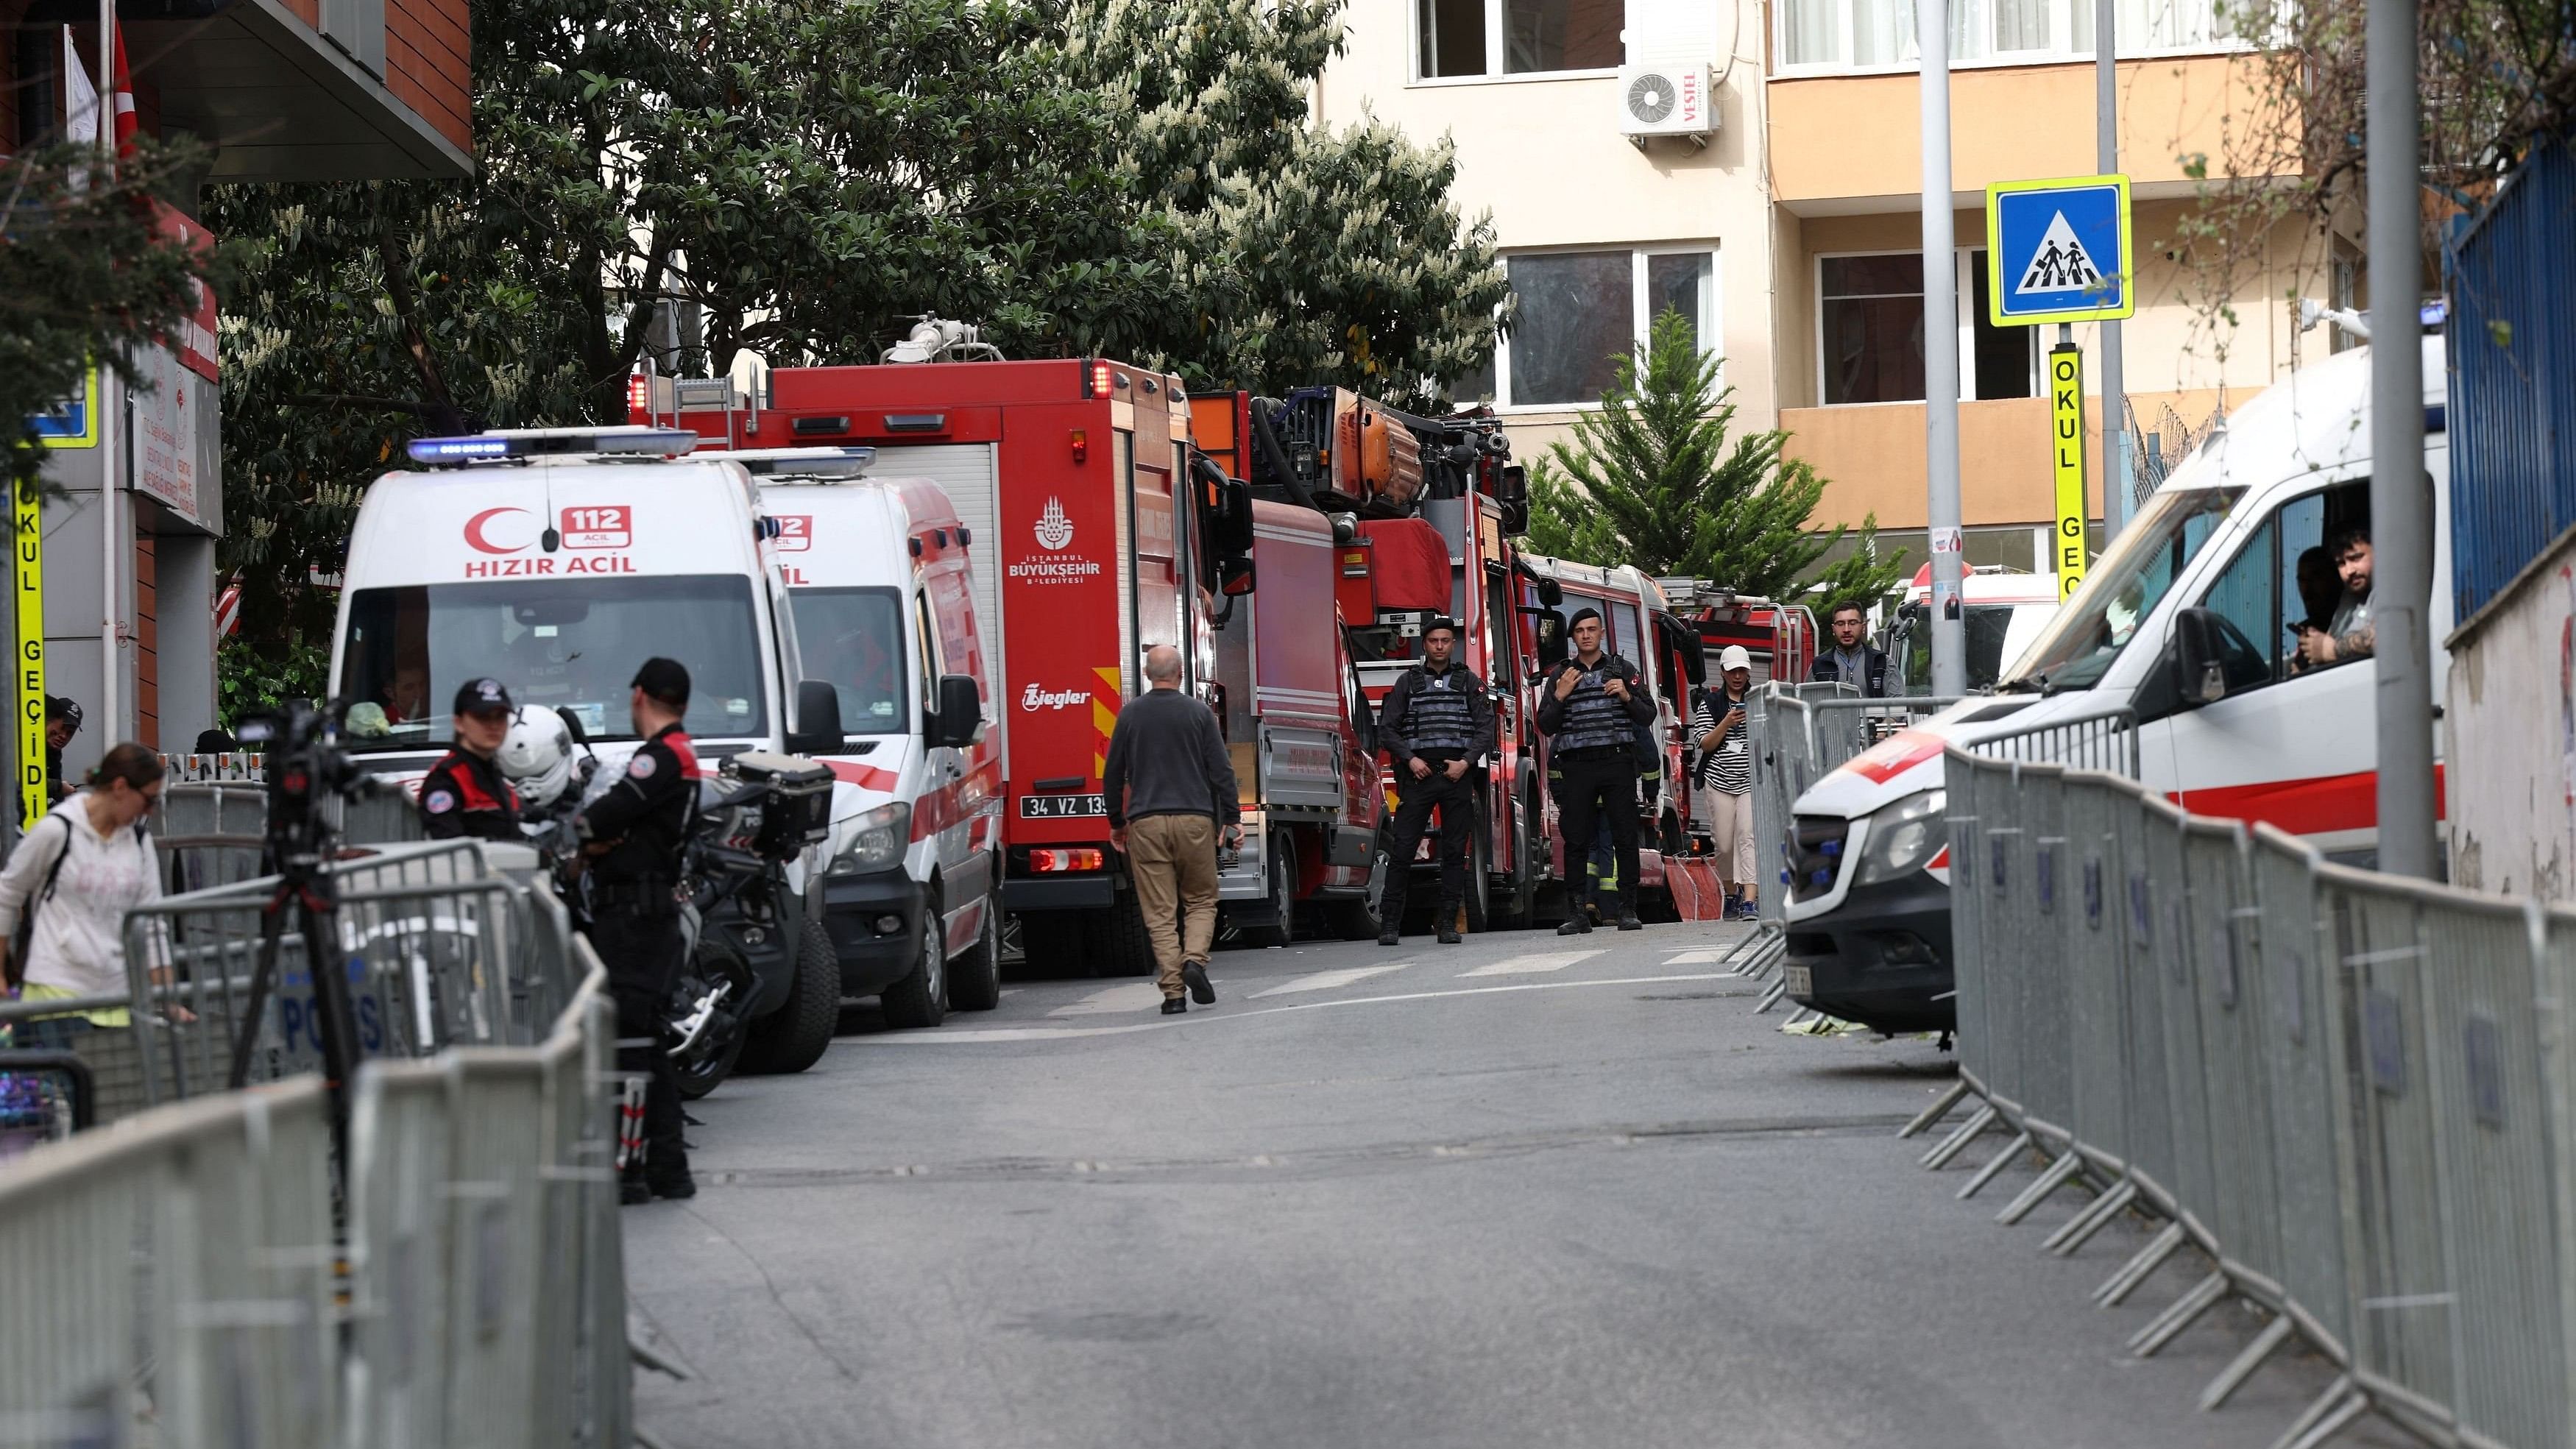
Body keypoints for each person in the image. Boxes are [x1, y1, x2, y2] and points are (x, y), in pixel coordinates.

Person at [578, 658, 701, 1203]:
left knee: (630, 1044)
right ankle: (667, 1168)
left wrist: (582, 838)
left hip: (633, 919)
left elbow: (604, 814)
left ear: (638, 695)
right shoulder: (681, 753)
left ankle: (630, 1170)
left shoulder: (661, 756)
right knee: (646, 1044)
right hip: (646, 916)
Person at [0, 743, 164, 1050]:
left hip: (115, 995)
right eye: (148, 800)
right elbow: (7, 893)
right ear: (120, 787)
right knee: (72, 1092)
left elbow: (153, 923)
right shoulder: (57, 830)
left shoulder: (140, 843)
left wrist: (166, 997)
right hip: (55, 989)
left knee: (108, 1097)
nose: (150, 811)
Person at [1103, 646, 1239, 1013]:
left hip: (1146, 823)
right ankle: (1194, 960)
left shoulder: (1129, 715)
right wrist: (1232, 817)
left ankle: (1174, 994)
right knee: (1200, 900)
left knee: (1160, 913)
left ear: (1147, 674)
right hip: (1195, 821)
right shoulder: (1199, 713)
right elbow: (1221, 770)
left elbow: (1112, 774)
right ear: (1181, 673)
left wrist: (1117, 822)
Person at [1373, 617, 1496, 946]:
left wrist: (1466, 762)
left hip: (1456, 775)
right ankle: (1389, 926)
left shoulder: (1469, 682)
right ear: (1424, 644)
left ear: (1452, 644)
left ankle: (1447, 924)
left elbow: (1486, 728)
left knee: (1455, 853)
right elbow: (1388, 729)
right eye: (1433, 641)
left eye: (1445, 640)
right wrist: (1410, 760)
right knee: (1402, 851)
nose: (1439, 646)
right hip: (1418, 776)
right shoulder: (1407, 683)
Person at [1537, 608, 1654, 935]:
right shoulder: (1561, 675)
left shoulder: (1622, 669)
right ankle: (1577, 913)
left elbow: (1648, 715)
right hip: (1576, 765)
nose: (1586, 635)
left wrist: (1627, 695)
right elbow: (1545, 725)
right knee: (1575, 840)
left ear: (1602, 633)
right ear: (1573, 637)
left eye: (1592, 629)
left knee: (1625, 837)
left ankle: (1628, 909)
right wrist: (1560, 695)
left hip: (1616, 762)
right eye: (1580, 631)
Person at [1693, 646, 1759, 921]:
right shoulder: (1709, 703)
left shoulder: (1759, 700)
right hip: (1718, 781)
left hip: (1750, 782)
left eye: (1742, 670)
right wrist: (1726, 723)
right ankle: (1732, 893)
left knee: (1748, 836)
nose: (1737, 676)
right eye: (1732, 671)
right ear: (1722, 672)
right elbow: (1705, 743)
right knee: (1723, 843)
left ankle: (1750, 901)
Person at [418, 678, 525, 843]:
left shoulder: (492, 769)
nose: (493, 725)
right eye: (483, 717)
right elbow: (450, 849)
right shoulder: (445, 779)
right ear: (459, 723)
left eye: (500, 717)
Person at [2297, 528, 2375, 669]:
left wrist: (2332, 650)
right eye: (2341, 564)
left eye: (2355, 558)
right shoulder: (2349, 595)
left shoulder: (2391, 590)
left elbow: (2389, 633)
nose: (2349, 571)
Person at [1811, 603, 1888, 697]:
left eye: (1853, 623)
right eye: (1840, 624)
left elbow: (1899, 706)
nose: (1846, 629)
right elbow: (1807, 705)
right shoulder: (1818, 665)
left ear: (1863, 627)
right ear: (1833, 629)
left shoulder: (1882, 661)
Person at [43, 696, 82, 807]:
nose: (64, 736)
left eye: (70, 733)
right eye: (62, 727)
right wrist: (58, 787)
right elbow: (22, 782)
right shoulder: (24, 743)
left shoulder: (54, 753)